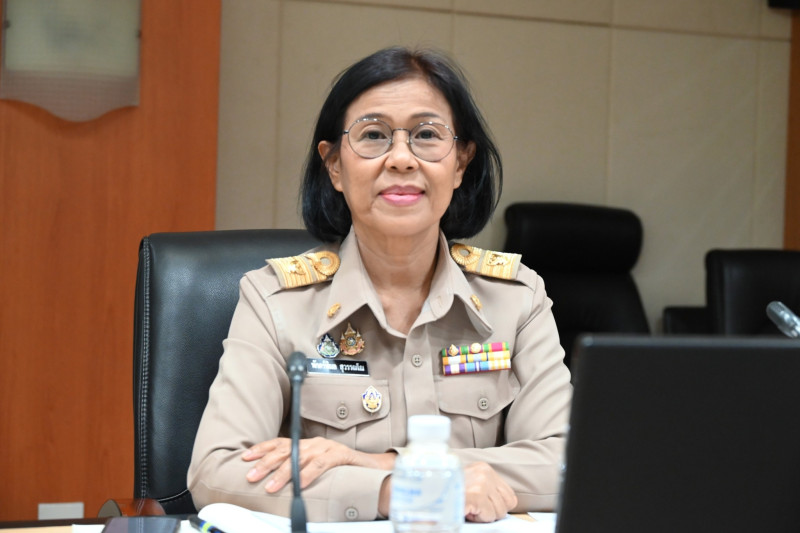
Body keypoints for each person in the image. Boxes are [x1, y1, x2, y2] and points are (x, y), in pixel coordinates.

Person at [188, 46, 572, 523]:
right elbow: (216, 471)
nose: (402, 159)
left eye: (427, 135)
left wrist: (381, 465)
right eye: (373, 135)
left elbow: (570, 464)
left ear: (460, 163)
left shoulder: (516, 298)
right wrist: (396, 493)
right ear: (334, 165)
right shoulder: (276, 302)